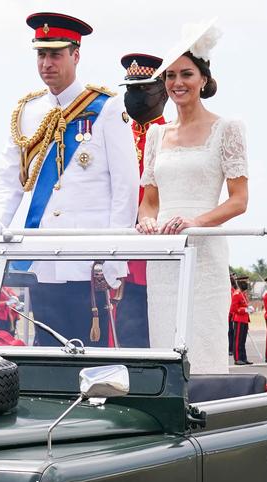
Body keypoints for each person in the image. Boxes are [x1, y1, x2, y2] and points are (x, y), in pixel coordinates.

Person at [0, 13, 138, 348]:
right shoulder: (27, 111)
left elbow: (126, 186)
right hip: (43, 258)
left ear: (75, 55)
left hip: (87, 261)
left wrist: (114, 253)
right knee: (47, 350)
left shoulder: (106, 108)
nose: (47, 63)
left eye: (55, 54)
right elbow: (8, 177)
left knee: (90, 354)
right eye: (41, 54)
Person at [135, 20, 248, 372]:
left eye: (185, 74)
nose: (177, 83)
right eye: (169, 76)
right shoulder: (156, 136)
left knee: (203, 337)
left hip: (204, 247)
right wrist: (147, 222)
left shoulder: (227, 128)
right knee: (165, 339)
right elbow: (149, 200)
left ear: (203, 79)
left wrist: (195, 222)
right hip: (164, 252)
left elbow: (239, 200)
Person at [115, 52, 167, 347]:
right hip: (120, 247)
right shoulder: (117, 134)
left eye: (143, 88)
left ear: (162, 91)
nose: (134, 96)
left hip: (154, 248)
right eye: (130, 89)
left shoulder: (170, 136)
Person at [229, 275, 252, 365]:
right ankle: (237, 358)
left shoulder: (243, 294)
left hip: (245, 319)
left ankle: (243, 357)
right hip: (238, 319)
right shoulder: (237, 294)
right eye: (245, 283)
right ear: (241, 283)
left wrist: (249, 309)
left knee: (243, 340)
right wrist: (244, 310)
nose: (247, 284)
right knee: (238, 340)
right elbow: (233, 309)